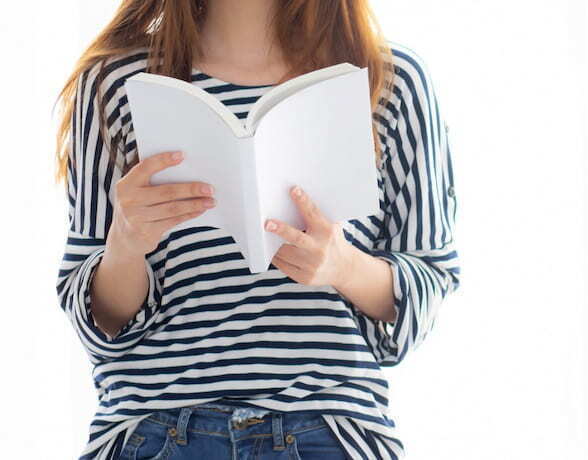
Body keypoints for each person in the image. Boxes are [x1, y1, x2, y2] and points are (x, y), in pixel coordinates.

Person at [53, 0, 460, 458]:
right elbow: (98, 325)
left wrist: (343, 267)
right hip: (157, 429)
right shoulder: (116, 82)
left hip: (330, 432)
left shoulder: (390, 81)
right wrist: (125, 244)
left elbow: (423, 296)